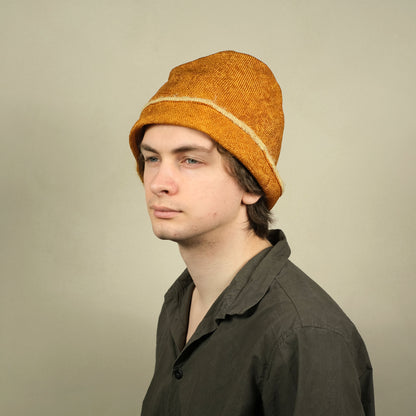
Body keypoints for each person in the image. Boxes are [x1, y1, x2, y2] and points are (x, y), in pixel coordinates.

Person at [129, 50, 375, 416]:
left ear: (252, 184)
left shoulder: (305, 333)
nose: (158, 183)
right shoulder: (181, 303)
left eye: (190, 160)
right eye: (152, 158)